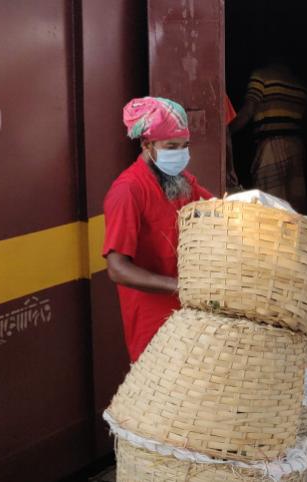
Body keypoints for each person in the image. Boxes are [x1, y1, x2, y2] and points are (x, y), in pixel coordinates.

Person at [103, 96, 213, 362]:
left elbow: (219, 211)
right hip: (152, 324)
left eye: (184, 146)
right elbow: (117, 268)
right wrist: (179, 285)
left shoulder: (183, 181)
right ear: (147, 144)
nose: (180, 153)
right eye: (171, 146)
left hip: (189, 315)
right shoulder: (128, 191)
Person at [230, 62, 307, 212]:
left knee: (270, 205)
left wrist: (227, 132)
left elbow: (248, 110)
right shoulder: (301, 85)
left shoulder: (261, 76)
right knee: (295, 206)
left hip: (271, 148)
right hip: (297, 147)